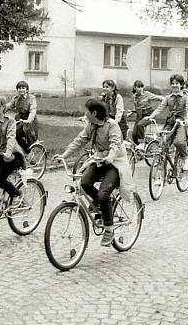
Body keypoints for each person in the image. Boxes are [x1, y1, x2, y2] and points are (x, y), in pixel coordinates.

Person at [55, 99, 134, 247]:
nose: (84, 114)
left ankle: (109, 229)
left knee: (103, 193)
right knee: (84, 183)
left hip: (115, 162)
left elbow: (115, 145)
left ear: (94, 113)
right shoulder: (91, 126)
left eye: (86, 111)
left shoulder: (112, 125)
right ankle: (100, 207)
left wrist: (110, 157)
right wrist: (63, 156)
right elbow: (79, 141)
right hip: (99, 159)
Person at [144, 74, 188, 171]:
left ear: (181, 85)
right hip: (171, 122)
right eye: (173, 83)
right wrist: (151, 116)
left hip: (181, 123)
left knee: (179, 142)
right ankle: (161, 173)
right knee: (163, 145)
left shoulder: (185, 96)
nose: (175, 85)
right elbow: (160, 108)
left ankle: (185, 157)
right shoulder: (168, 97)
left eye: (177, 83)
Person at [129, 80, 163, 147]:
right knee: (134, 135)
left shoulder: (147, 94)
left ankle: (142, 143)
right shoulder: (134, 97)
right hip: (139, 116)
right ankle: (139, 149)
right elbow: (137, 108)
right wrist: (131, 112)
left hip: (148, 115)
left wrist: (166, 100)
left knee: (140, 125)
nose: (140, 89)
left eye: (142, 87)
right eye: (138, 87)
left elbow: (158, 98)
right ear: (134, 88)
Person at [7, 81, 38, 153]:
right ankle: (21, 151)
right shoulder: (16, 98)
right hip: (19, 119)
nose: (21, 90)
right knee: (12, 134)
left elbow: (33, 110)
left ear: (27, 89)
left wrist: (28, 120)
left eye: (23, 88)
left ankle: (29, 153)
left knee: (28, 137)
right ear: (17, 90)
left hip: (29, 121)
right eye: (19, 88)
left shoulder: (31, 98)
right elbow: (9, 106)